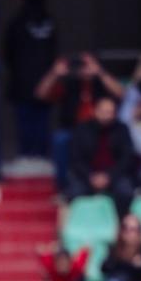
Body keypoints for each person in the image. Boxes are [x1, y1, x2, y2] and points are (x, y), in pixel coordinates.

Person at [37, 52, 126, 191]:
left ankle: (108, 182)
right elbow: (41, 94)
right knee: (60, 139)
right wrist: (54, 73)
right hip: (73, 129)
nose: (85, 69)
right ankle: (62, 188)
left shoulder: (102, 84)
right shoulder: (69, 84)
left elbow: (122, 93)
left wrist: (100, 72)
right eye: (82, 66)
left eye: (88, 65)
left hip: (100, 129)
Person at [3, 0, 57, 159]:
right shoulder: (49, 21)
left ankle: (27, 153)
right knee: (42, 118)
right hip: (47, 77)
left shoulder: (17, 22)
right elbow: (54, 49)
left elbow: (8, 52)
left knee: (25, 118)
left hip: (22, 78)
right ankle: (41, 152)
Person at [67, 94, 136, 215]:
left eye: (110, 112)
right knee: (74, 193)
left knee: (126, 192)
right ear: (95, 111)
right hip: (87, 175)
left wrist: (109, 176)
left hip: (114, 175)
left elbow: (127, 158)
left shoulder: (122, 129)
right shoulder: (82, 129)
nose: (106, 116)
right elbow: (76, 159)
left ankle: (119, 226)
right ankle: (81, 228)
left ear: (115, 113)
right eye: (103, 111)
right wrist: (91, 176)